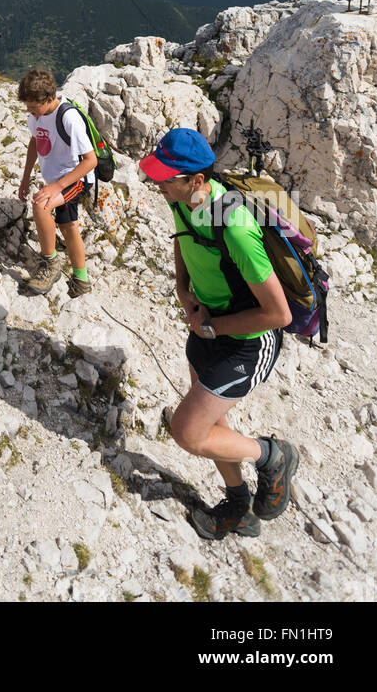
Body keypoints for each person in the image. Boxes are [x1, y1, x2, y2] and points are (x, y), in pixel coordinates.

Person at [139, 128, 299, 541]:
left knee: (188, 432)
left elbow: (278, 314)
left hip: (248, 340)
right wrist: (182, 288)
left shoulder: (236, 227)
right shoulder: (184, 199)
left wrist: (213, 326)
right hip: (209, 325)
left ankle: (272, 455)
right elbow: (183, 237)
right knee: (212, 420)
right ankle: (238, 506)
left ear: (196, 179)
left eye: (165, 178)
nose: (157, 185)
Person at [16, 69, 97, 297]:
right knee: (68, 225)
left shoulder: (68, 117)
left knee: (41, 204)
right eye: (28, 107)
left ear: (49, 99)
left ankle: (50, 264)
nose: (29, 112)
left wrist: (57, 186)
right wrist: (25, 178)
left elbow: (91, 161)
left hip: (76, 179)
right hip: (57, 179)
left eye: (33, 107)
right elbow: (34, 142)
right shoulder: (36, 116)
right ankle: (81, 280)